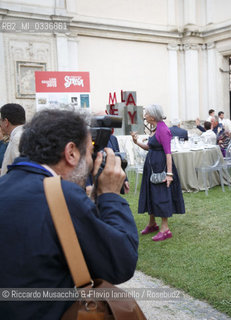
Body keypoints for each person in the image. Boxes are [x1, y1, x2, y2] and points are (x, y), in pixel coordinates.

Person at [0, 109, 138, 319]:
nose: (91, 162)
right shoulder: (61, 196)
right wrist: (110, 195)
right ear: (71, 152)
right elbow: (120, 262)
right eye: (88, 152)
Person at [131, 104, 185, 241]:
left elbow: (168, 154)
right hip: (151, 167)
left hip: (161, 167)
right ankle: (152, 223)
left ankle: (165, 229)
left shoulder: (163, 130)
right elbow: (149, 147)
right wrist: (136, 141)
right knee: (151, 194)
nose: (145, 116)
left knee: (161, 195)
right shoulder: (155, 129)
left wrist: (169, 174)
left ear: (153, 116)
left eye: (147, 114)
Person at [0, 103, 26, 176]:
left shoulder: (17, 138)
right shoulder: (23, 134)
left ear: (6, 122)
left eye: (0, 120)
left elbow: (21, 168)